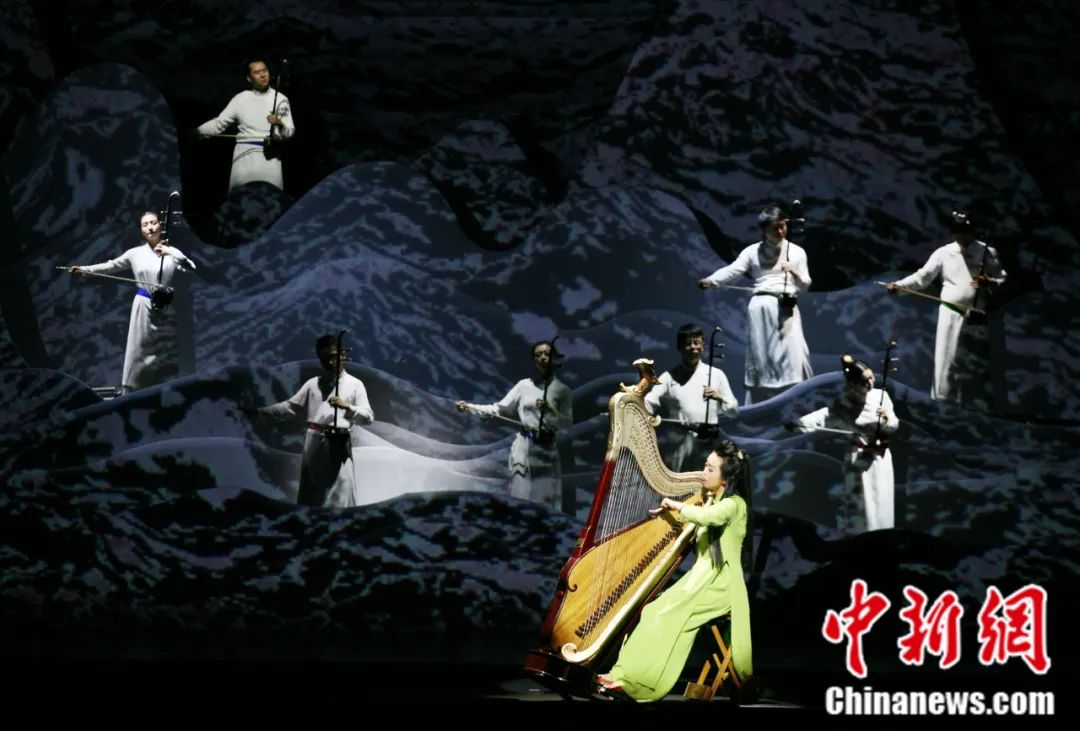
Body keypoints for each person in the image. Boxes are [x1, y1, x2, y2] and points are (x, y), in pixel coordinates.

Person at [596, 439, 753, 702]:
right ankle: (623, 675)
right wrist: (668, 516)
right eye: (705, 465)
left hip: (721, 585)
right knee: (652, 610)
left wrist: (676, 505)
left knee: (667, 615)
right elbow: (700, 516)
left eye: (711, 469)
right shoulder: (711, 501)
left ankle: (643, 684)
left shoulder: (735, 505)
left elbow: (707, 518)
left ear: (726, 479)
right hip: (700, 580)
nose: (704, 473)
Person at [67, 210, 196, 394]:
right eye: (145, 224)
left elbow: (190, 266)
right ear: (141, 229)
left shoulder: (171, 252)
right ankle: (132, 390)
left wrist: (169, 251)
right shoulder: (135, 253)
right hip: (143, 306)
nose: (150, 228)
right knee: (138, 350)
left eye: (153, 223)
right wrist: (84, 270)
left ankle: (165, 391)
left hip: (165, 307)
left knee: (165, 350)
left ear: (161, 225)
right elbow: (111, 266)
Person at [886, 210, 1006, 406]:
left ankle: (972, 406)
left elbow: (1002, 280)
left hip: (976, 316)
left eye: (965, 232)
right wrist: (899, 286)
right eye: (958, 232)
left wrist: (990, 282)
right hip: (950, 313)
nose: (962, 237)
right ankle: (942, 404)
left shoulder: (987, 253)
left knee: (973, 363)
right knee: (947, 361)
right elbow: (922, 277)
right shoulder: (944, 253)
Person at [699, 205, 813, 404]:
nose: (781, 231)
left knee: (794, 353)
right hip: (761, 308)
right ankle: (761, 401)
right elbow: (733, 269)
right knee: (762, 356)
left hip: (785, 307)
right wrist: (712, 279)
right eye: (775, 228)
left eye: (783, 226)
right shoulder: (752, 251)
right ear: (764, 230)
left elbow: (805, 285)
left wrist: (794, 271)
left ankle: (796, 400)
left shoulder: (797, 252)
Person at [246, 334, 374, 507]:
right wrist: (261, 412)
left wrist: (347, 408)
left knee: (342, 492)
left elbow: (368, 417)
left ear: (343, 355)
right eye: (325, 358)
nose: (330, 362)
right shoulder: (313, 384)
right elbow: (290, 407)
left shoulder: (355, 385)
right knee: (314, 494)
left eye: (333, 357)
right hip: (315, 444)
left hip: (339, 443)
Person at [456, 340, 572, 510]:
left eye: (547, 354)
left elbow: (567, 424)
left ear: (554, 358)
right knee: (520, 496)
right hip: (524, 447)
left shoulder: (563, 391)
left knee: (544, 504)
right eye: (538, 355)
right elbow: (498, 409)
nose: (542, 358)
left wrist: (550, 410)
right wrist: (470, 407)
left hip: (546, 450)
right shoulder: (524, 385)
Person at [788, 355, 899, 531]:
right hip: (857, 459)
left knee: (882, 504)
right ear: (853, 383)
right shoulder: (845, 402)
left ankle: (884, 539)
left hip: (879, 458)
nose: (870, 383)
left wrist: (886, 418)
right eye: (864, 381)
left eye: (871, 377)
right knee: (862, 506)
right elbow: (825, 416)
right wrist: (799, 423)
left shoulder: (881, 396)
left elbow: (893, 425)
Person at [645, 323, 738, 471]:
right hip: (681, 445)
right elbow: (649, 402)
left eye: (697, 343)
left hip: (710, 443)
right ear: (680, 347)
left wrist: (720, 397)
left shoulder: (717, 375)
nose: (693, 347)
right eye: (688, 344)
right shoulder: (669, 377)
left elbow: (733, 412)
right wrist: (631, 409)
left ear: (703, 345)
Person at [196, 59, 295, 191]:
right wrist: (197, 132)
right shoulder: (241, 98)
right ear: (249, 78)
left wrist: (280, 123)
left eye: (264, 70)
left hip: (270, 161)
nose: (263, 75)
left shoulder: (281, 99)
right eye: (257, 72)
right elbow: (219, 123)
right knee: (241, 199)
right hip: (244, 160)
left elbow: (289, 133)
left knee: (271, 200)